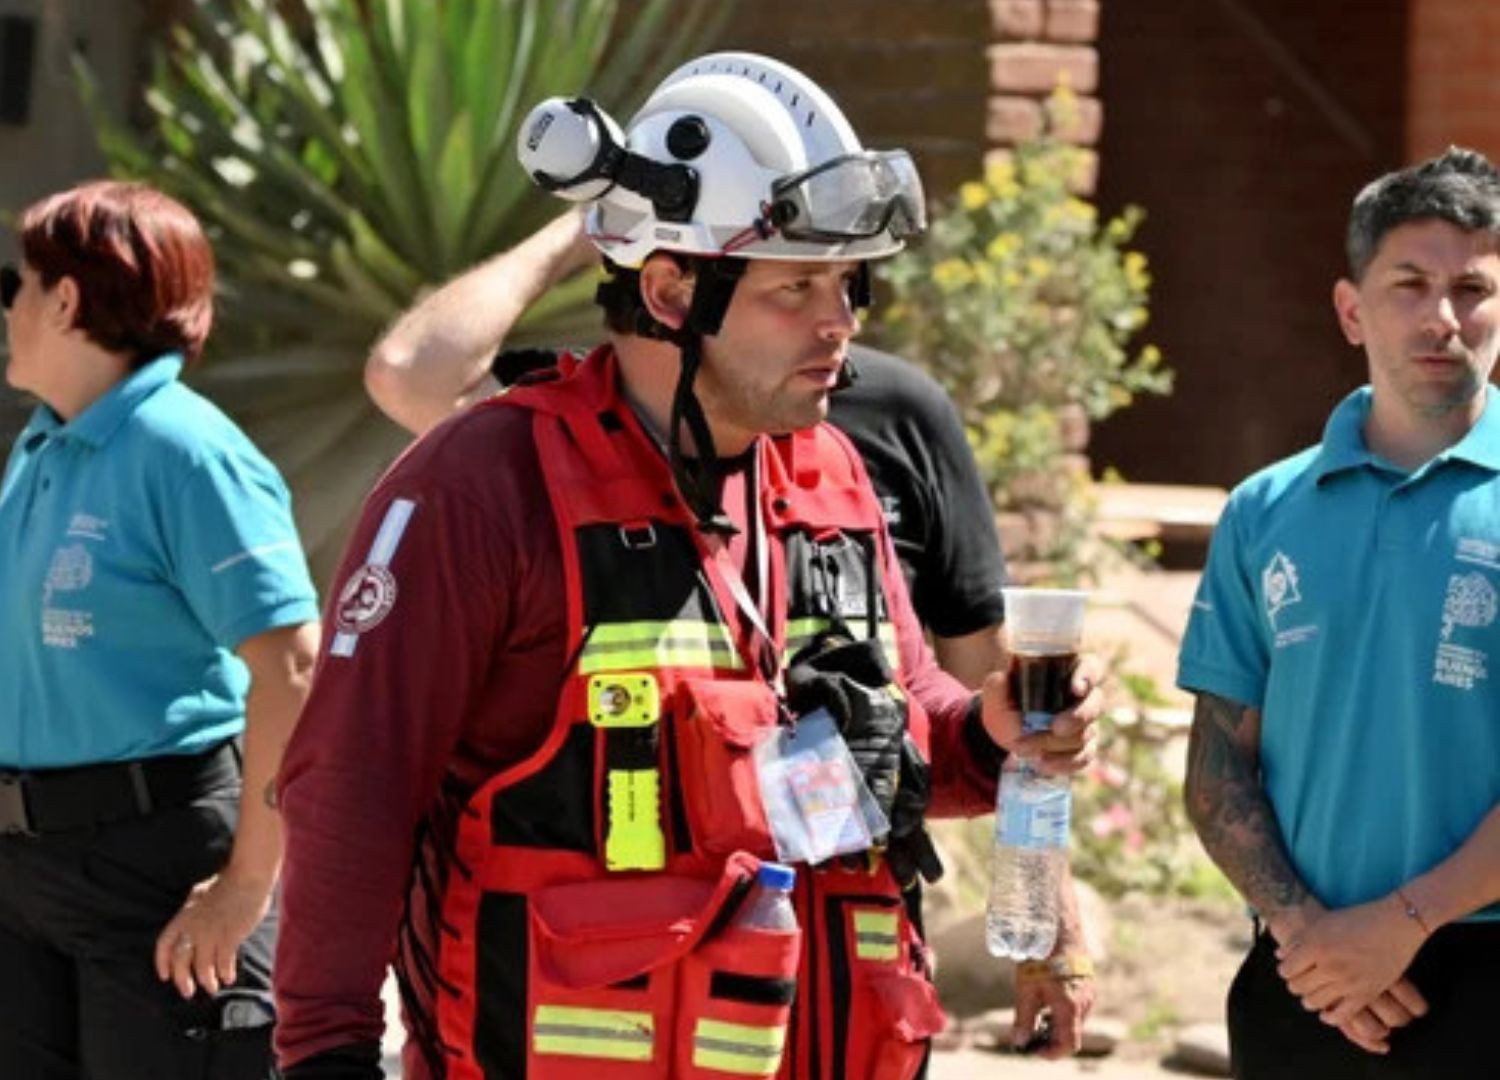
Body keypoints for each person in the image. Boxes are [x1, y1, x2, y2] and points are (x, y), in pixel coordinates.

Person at [274, 52, 1105, 1080]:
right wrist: (325, 1054)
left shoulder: (833, 475)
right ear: (671, 289)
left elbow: (908, 714)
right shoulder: (485, 485)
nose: (841, 322)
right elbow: (353, 790)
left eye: (848, 283)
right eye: (795, 287)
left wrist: (989, 732)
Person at [1180, 147, 1500, 1079]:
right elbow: (1216, 770)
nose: (1443, 318)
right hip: (1303, 976)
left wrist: (1400, 926)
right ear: (1352, 309)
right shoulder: (1262, 511)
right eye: (1410, 285)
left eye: (1473, 289)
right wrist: (1313, 941)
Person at [0, 181, 321, 1079]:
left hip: (157, 869)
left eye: (18, 284)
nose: (9, 309)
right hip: (27, 874)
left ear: (65, 300)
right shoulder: (42, 446)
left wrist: (248, 886)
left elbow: (294, 667)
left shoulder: (188, 452)